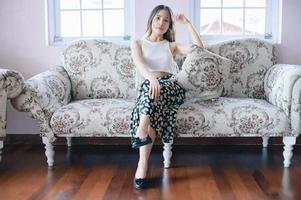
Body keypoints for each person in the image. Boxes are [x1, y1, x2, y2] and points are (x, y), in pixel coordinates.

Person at [130, 4, 204, 189]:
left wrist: (187, 23)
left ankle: (141, 131)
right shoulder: (137, 43)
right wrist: (152, 79)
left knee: (150, 94)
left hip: (172, 87)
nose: (161, 23)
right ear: (151, 19)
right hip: (150, 89)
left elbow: (199, 49)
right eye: (158, 18)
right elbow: (140, 65)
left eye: (166, 20)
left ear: (169, 25)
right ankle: (143, 163)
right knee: (151, 102)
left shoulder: (171, 46)